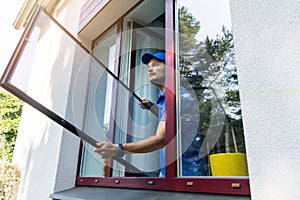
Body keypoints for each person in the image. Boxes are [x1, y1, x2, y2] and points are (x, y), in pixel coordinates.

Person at [94, 52, 207, 176]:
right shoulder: (166, 97)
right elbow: (173, 121)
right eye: (148, 67)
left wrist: (119, 148)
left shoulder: (175, 97)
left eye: (156, 65)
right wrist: (153, 108)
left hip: (187, 175)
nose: (150, 69)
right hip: (171, 173)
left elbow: (161, 139)